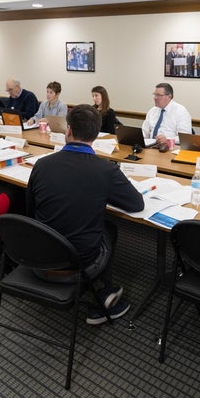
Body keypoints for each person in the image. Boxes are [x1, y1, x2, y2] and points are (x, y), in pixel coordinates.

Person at [26, 104, 144, 325]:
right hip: (75, 267)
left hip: (35, 260)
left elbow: (30, 210)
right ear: (96, 136)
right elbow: (136, 204)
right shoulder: (105, 170)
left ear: (68, 131)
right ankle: (103, 292)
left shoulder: (41, 165)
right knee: (109, 227)